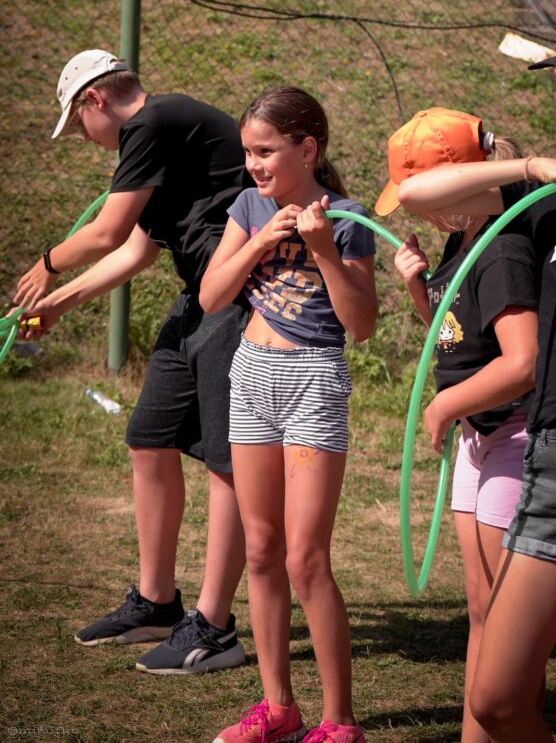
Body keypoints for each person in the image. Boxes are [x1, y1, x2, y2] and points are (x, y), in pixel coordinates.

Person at [395, 13, 556, 742]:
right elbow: (422, 197)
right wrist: (529, 168)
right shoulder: (549, 204)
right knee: (493, 697)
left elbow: (521, 356)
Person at [14, 48, 250, 676]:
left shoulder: (153, 120)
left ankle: (217, 627)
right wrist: (60, 303)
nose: (87, 141)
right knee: (151, 437)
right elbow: (141, 248)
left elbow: (107, 233)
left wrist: (47, 264)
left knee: (228, 463)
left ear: (95, 100)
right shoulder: (161, 139)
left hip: (241, 298)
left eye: (79, 125)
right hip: (199, 298)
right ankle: (156, 602)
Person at [199, 86, 378, 743]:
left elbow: (360, 325)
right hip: (250, 374)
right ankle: (278, 707)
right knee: (263, 548)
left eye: (267, 151)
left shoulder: (350, 216)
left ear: (308, 148)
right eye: (248, 151)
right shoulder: (249, 207)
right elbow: (214, 295)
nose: (255, 164)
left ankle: (339, 721)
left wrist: (324, 248)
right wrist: (257, 243)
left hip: (312, 381)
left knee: (306, 556)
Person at [375, 107, 538, 743]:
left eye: (417, 196)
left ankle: (508, 723)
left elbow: (523, 362)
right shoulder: (460, 243)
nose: (414, 213)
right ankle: (479, 733)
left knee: (504, 618)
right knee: (481, 606)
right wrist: (421, 292)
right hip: (479, 438)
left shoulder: (498, 248)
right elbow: (457, 340)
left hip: (514, 436)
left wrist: (443, 406)